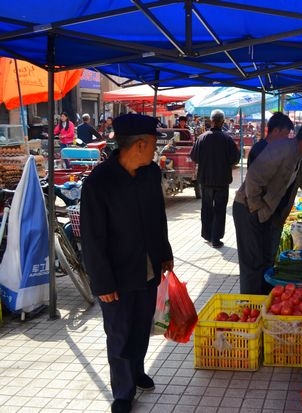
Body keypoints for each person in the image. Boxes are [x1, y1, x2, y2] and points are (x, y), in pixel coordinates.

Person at [80, 113, 174, 413]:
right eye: (153, 144)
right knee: (119, 333)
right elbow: (92, 238)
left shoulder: (150, 173)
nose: (155, 150)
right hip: (117, 277)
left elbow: (158, 217)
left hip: (148, 269)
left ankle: (136, 370)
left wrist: (165, 252)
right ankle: (123, 391)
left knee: (141, 326)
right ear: (139, 145)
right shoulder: (99, 182)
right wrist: (102, 283)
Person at [233, 119, 302, 294]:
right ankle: (250, 303)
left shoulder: (300, 157)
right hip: (249, 209)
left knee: (267, 260)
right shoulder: (281, 149)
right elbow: (254, 179)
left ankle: (264, 298)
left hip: (270, 214)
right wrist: (257, 210)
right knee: (252, 264)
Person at [190, 109, 240, 248]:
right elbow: (235, 159)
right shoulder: (227, 139)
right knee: (220, 209)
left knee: (206, 208)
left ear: (211, 121)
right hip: (222, 181)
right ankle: (216, 239)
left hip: (205, 180)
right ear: (222, 122)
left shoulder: (202, 138)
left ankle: (207, 235)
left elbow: (194, 157)